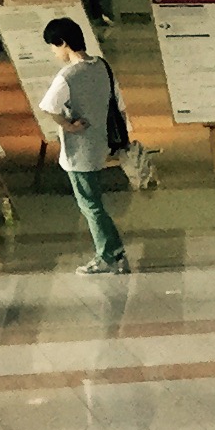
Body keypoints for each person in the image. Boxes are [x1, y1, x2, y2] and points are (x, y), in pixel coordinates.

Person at [36, 17, 129, 276]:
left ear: (63, 43)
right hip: (101, 143)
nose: (53, 52)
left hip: (78, 150)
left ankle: (108, 256)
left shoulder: (68, 75)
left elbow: (48, 107)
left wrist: (67, 125)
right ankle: (116, 252)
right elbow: (119, 105)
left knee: (90, 205)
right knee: (94, 202)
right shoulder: (102, 66)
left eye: (53, 46)